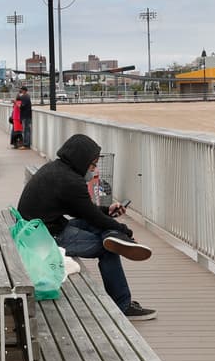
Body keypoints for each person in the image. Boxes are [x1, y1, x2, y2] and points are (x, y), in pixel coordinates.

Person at [17, 133, 157, 321]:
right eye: (93, 164)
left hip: (35, 230)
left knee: (101, 229)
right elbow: (90, 214)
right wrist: (125, 230)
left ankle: (115, 236)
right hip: (45, 239)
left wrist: (108, 210)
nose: (94, 168)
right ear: (81, 160)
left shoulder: (56, 169)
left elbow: (83, 210)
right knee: (108, 249)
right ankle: (122, 305)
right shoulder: (71, 181)